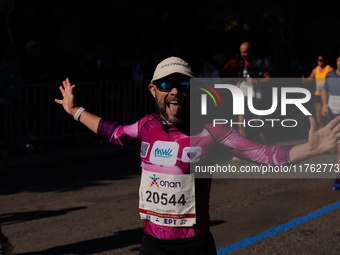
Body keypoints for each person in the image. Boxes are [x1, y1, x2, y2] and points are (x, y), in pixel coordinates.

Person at [55, 56, 340, 254]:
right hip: (152, 244)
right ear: (153, 89)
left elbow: (264, 154)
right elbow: (113, 132)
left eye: (185, 85)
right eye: (167, 85)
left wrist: (311, 149)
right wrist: (74, 111)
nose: (176, 91)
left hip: (194, 245)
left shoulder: (212, 130)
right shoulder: (146, 126)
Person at [321, 53, 340, 190]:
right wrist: (324, 104)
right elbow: (324, 90)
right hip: (333, 115)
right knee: (335, 149)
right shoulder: (330, 75)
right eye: (339, 60)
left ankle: (339, 176)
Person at [306, 54, 334, 128]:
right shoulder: (315, 70)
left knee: (325, 113)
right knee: (318, 113)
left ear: (325, 61)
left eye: (321, 60)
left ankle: (329, 128)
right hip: (318, 93)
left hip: (327, 94)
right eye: (318, 60)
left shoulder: (330, 69)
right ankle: (321, 129)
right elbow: (311, 78)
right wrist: (305, 81)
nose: (319, 62)